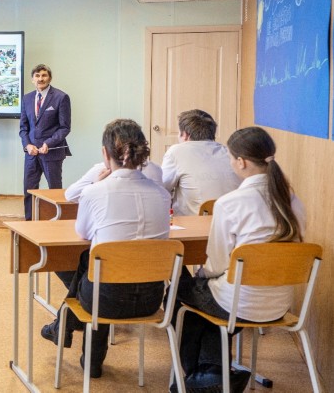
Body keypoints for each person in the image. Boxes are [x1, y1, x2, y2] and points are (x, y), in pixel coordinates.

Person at [172, 126, 302, 393]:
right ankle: (211, 372)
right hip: (279, 305)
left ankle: (200, 375)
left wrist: (200, 276)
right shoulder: (293, 200)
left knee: (178, 289)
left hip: (239, 304)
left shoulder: (231, 203)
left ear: (241, 162)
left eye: (231, 158)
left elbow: (216, 265)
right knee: (207, 310)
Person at [40, 119, 170, 378]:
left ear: (105, 153)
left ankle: (68, 330)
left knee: (91, 265)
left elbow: (83, 233)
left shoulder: (95, 192)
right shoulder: (162, 194)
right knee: (95, 267)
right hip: (151, 300)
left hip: (105, 300)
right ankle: (66, 329)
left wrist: (96, 188)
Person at [161, 109, 240, 215]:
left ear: (185, 135)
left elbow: (161, 188)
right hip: (232, 219)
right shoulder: (228, 151)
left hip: (195, 221)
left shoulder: (176, 151)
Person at [19, 64, 71, 220]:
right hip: (31, 154)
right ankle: (29, 222)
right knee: (29, 191)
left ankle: (57, 223)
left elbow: (64, 128)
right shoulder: (27, 98)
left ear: (50, 78)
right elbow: (23, 128)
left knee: (55, 191)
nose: (40, 79)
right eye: (37, 76)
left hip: (52, 153)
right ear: (32, 79)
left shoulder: (61, 97)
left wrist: (48, 143)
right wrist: (27, 145)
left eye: (44, 75)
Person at [64, 159, 164, 203]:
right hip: (153, 240)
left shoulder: (102, 169)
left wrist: (94, 187)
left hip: (109, 241)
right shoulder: (155, 169)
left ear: (106, 152)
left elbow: (71, 195)